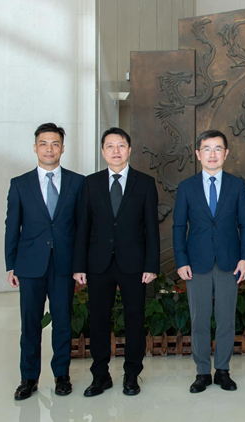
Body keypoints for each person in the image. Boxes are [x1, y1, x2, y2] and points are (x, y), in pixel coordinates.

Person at [73, 127, 160, 397]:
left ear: (129, 149)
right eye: (110, 146)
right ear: (103, 151)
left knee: (134, 319)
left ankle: (132, 375)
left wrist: (151, 265)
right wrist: (79, 265)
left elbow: (151, 229)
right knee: (98, 320)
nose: (115, 151)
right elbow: (82, 227)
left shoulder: (144, 183)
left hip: (134, 264)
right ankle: (100, 376)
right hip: (98, 263)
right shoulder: (90, 183)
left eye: (121, 145)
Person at [5, 123, 84, 400]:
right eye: (43, 143)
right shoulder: (20, 183)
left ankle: (62, 375)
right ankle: (28, 378)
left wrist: (80, 265)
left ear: (63, 147)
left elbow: (82, 226)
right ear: (35, 147)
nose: (49, 149)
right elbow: (11, 225)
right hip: (29, 265)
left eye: (54, 143)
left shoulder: (77, 182)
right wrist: (10, 264)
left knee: (62, 321)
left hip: (64, 263)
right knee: (30, 323)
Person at [173, 130, 245, 393]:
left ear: (226, 153)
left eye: (218, 149)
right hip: (196, 263)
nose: (212, 154)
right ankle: (202, 372)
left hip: (230, 262)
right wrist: (181, 260)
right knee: (199, 319)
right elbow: (177, 227)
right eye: (207, 149)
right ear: (198, 154)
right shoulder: (186, 187)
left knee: (226, 318)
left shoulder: (237, 185)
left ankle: (223, 370)